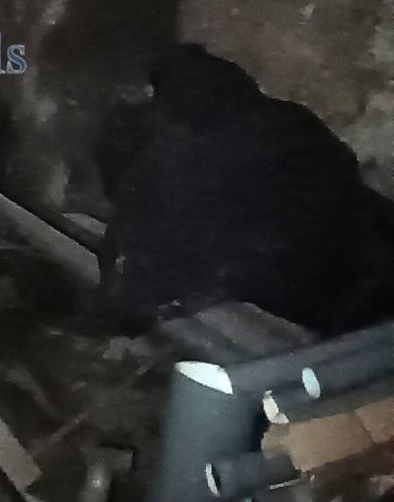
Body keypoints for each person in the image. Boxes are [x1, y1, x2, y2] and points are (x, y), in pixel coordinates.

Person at [98, 45, 394, 334]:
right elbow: (344, 166)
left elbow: (134, 273)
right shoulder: (288, 118)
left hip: (312, 289)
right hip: (356, 260)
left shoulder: (169, 159)